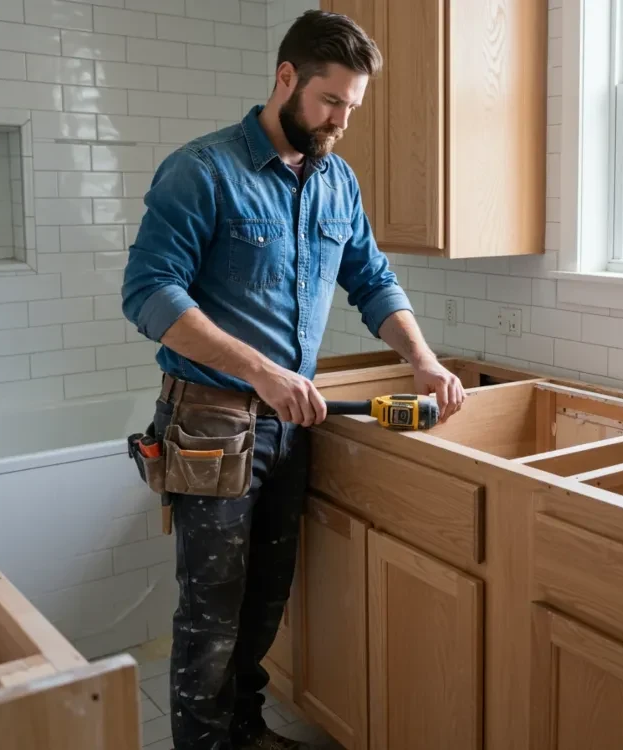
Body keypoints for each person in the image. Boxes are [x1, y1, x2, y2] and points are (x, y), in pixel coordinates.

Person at [121, 10, 465, 750]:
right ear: (286, 79)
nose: (342, 120)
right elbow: (149, 295)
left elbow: (372, 278)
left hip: (290, 423)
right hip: (210, 422)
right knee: (212, 612)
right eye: (332, 102)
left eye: (352, 106)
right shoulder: (203, 171)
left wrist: (424, 359)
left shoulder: (337, 181)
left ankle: (245, 732)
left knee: (267, 602)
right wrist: (263, 371)